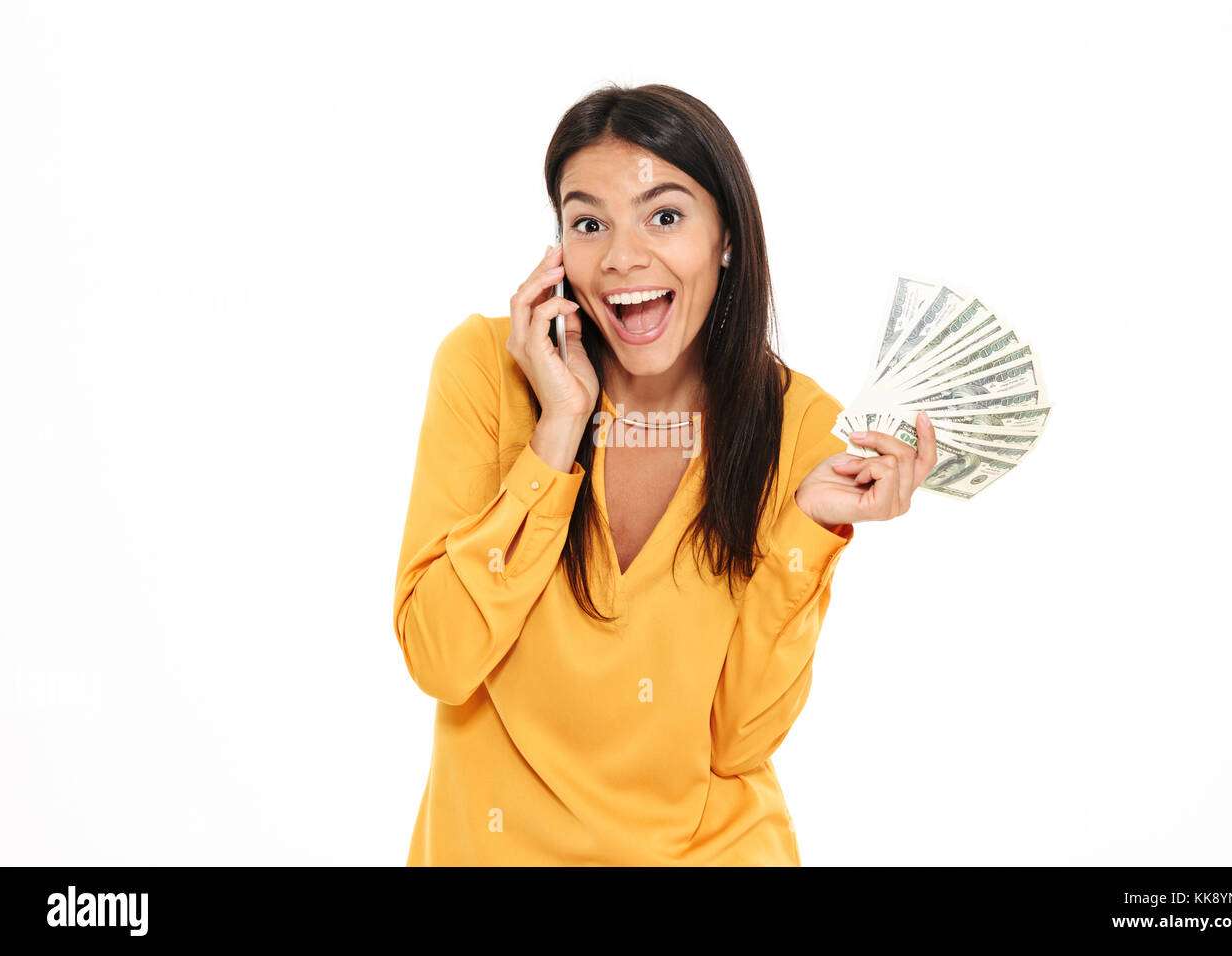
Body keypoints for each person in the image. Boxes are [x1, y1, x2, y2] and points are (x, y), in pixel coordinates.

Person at [392, 83, 937, 865]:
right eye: (588, 223)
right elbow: (441, 659)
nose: (622, 257)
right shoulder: (485, 369)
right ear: (558, 252)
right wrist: (556, 432)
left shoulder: (798, 423)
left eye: (666, 216)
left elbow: (741, 737)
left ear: (726, 238)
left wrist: (807, 532)